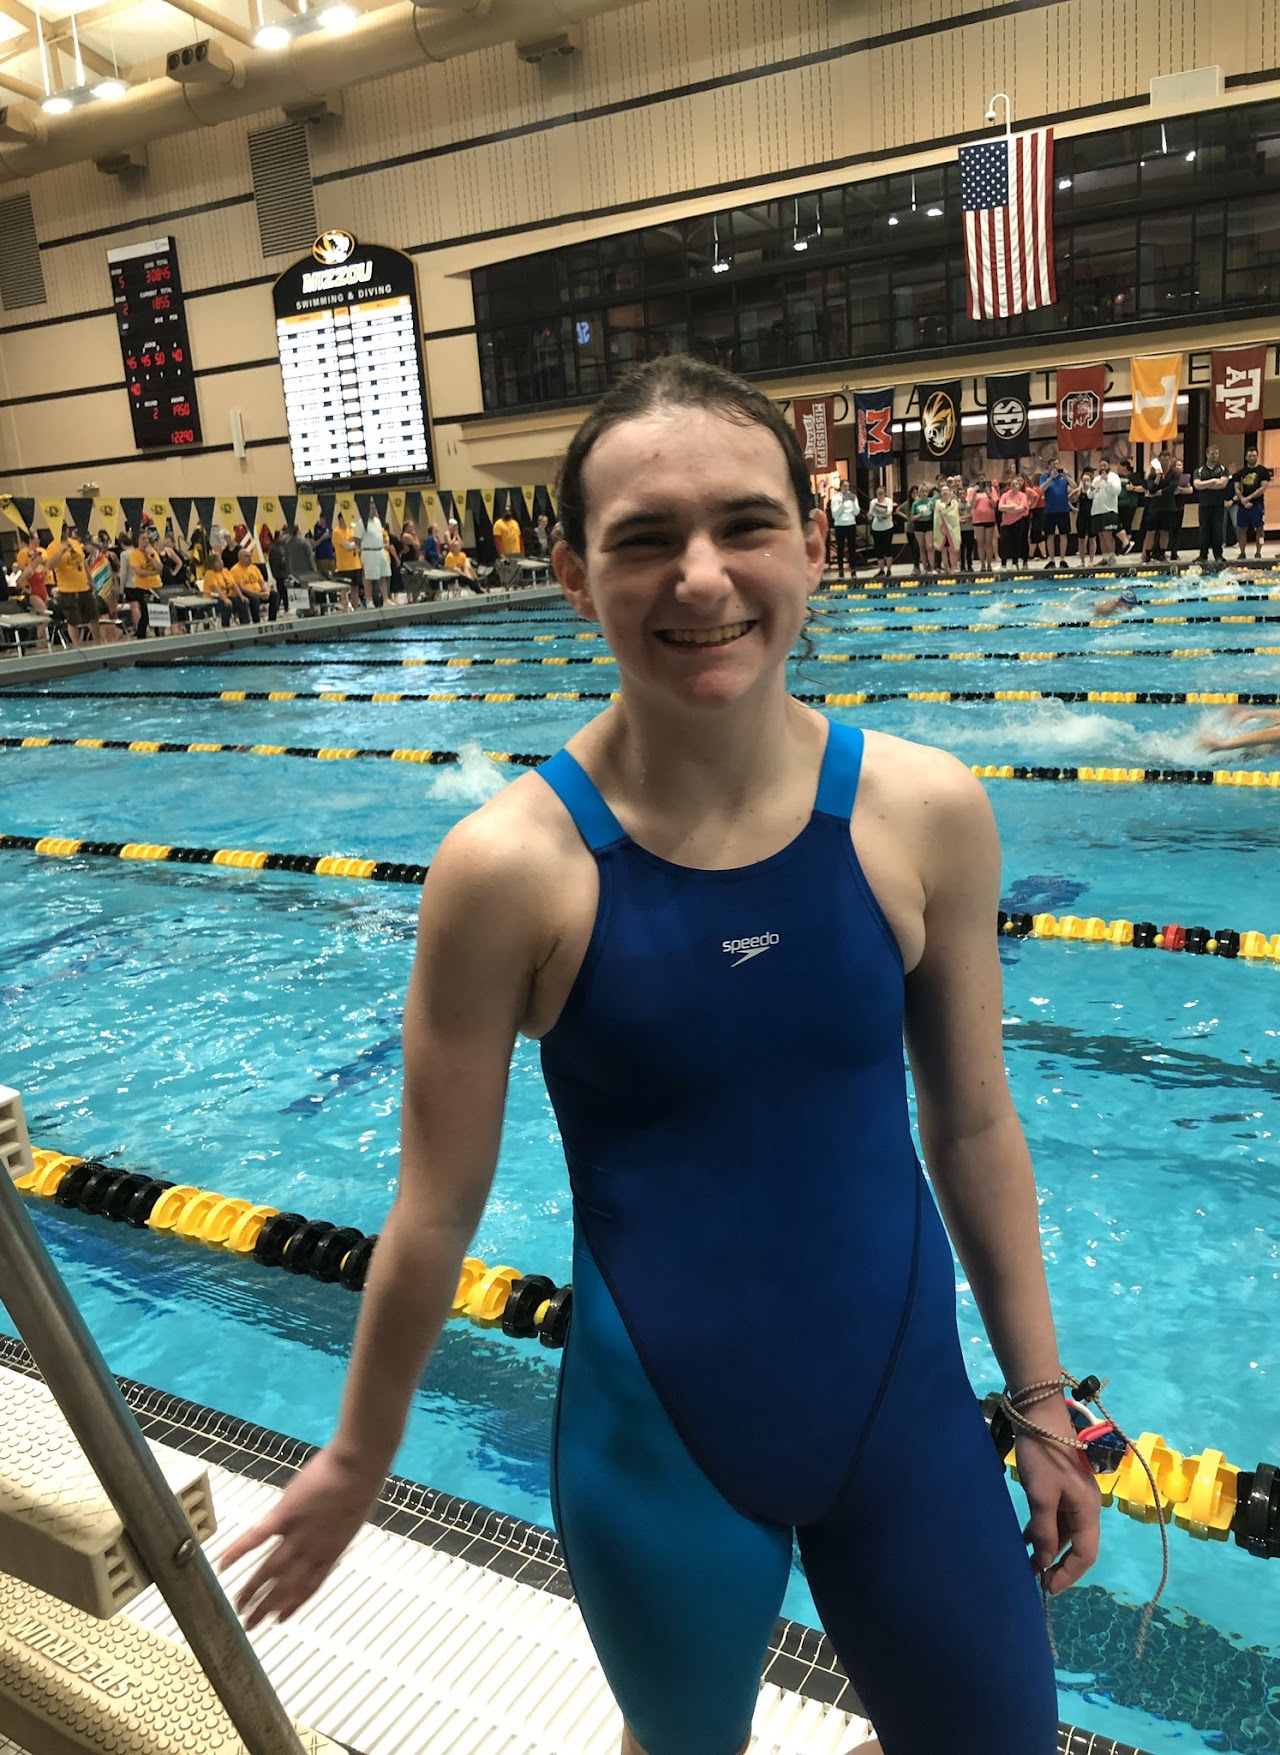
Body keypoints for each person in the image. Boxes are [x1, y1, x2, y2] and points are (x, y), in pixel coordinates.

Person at [221, 356, 1097, 1755]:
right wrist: (354, 1456)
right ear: (573, 575)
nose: (703, 578)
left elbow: (976, 1125)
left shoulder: (925, 809)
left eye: (745, 524)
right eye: (645, 540)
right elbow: (435, 1206)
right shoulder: (511, 868)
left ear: (811, 542)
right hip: (658, 1448)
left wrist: (1046, 1404)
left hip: (910, 1425)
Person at [45, 524, 101, 646]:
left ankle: (98, 643)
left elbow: (84, 562)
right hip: (67, 589)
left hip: (83, 586)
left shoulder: (74, 543)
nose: (64, 533)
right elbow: (50, 566)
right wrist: (61, 552)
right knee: (73, 620)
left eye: (65, 530)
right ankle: (77, 646)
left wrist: (90, 580)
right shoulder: (52, 547)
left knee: (93, 616)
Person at [1232, 447, 1272, 562]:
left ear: (1257, 456)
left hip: (1258, 505)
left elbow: (1263, 488)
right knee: (1241, 529)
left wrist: (1248, 498)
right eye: (1250, 456)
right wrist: (1242, 499)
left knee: (1259, 529)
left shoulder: (1263, 471)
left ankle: (1258, 552)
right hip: (1243, 506)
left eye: (1254, 455)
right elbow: (1237, 488)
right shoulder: (1240, 473)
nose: (1252, 458)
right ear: (1246, 457)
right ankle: (1242, 552)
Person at [1195, 444, 1231, 566]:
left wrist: (1205, 484)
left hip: (1218, 505)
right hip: (1204, 505)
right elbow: (1197, 485)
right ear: (1207, 454)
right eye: (1212, 453)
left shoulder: (1223, 469)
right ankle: (1203, 555)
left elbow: (1222, 484)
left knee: (1217, 530)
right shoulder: (1200, 470)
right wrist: (1213, 481)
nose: (1215, 456)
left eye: (1216, 453)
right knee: (1203, 531)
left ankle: (1218, 555)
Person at [125, 527, 163, 637]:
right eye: (143, 539)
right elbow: (139, 571)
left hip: (157, 585)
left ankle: (158, 634)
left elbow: (160, 568)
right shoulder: (134, 554)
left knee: (158, 611)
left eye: (147, 538)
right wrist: (153, 572)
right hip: (143, 588)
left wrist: (152, 557)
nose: (146, 541)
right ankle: (141, 635)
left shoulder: (152, 552)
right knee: (146, 612)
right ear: (137, 541)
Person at [1199, 705, 1280, 756]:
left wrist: (1223, 745)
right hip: (1244, 754)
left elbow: (1268, 735)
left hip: (1248, 753)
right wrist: (1251, 714)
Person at [1038, 459, 1073, 568]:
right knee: (1050, 535)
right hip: (1050, 511)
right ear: (1049, 466)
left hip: (1063, 510)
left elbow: (1075, 485)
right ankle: (1051, 560)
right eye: (1053, 465)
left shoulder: (1064, 476)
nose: (1056, 466)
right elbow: (1041, 489)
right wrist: (1051, 478)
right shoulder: (1044, 476)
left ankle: (1062, 559)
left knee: (1064, 535)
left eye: (1057, 464)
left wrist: (1067, 476)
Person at [231, 544, 278, 623]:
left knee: (274, 595)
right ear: (240, 558)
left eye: (250, 556)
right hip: (246, 594)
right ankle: (256, 621)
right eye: (247, 557)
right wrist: (258, 595)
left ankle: (272, 620)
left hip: (259, 592)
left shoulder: (254, 568)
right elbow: (241, 588)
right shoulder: (235, 570)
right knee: (254, 598)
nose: (250, 558)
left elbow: (262, 582)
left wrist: (266, 591)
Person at [1088, 463, 1122, 564]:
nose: (1102, 468)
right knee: (1101, 536)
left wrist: (1107, 480)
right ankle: (1105, 557)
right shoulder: (1096, 479)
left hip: (1109, 510)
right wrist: (1092, 489)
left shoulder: (1114, 477)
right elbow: (1090, 495)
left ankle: (1112, 557)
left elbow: (1117, 491)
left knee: (1108, 535)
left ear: (1109, 466)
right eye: (1100, 466)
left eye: (1104, 465)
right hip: (1097, 511)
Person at [827, 479, 859, 581]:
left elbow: (857, 512)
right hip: (840, 525)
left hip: (851, 524)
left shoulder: (852, 497)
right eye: (845, 486)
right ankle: (841, 571)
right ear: (840, 487)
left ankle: (853, 570)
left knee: (852, 548)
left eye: (848, 486)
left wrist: (853, 502)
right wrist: (843, 504)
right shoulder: (836, 498)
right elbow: (835, 514)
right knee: (840, 548)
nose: (847, 488)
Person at [997, 474, 1031, 568]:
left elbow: (1021, 508)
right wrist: (1012, 506)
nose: (1015, 486)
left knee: (1018, 542)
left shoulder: (1023, 495)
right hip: (1006, 523)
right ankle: (1003, 564)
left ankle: (1015, 562)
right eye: (1013, 484)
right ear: (1009, 486)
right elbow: (1000, 507)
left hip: (1019, 521)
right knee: (1004, 543)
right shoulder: (1005, 495)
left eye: (1016, 484)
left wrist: (1007, 509)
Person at [356, 512, 389, 608]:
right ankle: (369, 600)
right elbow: (357, 539)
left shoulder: (378, 521)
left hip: (380, 550)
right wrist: (360, 551)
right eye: (371, 508)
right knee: (368, 577)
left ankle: (386, 599)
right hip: (368, 551)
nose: (374, 510)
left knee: (383, 575)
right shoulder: (361, 523)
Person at [968, 478, 999, 571]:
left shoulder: (991, 490)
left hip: (989, 518)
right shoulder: (973, 491)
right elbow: (972, 505)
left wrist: (989, 495)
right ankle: (982, 565)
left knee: (989, 542)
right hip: (978, 519)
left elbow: (994, 505)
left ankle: (989, 564)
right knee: (980, 543)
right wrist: (975, 494)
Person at [333, 514, 363, 609]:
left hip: (356, 564)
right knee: (345, 588)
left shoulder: (352, 530)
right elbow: (348, 546)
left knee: (355, 588)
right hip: (344, 566)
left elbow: (358, 545)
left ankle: (355, 607)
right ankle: (345, 607)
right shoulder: (337, 532)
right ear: (340, 519)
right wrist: (357, 543)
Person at [867, 485, 897, 579]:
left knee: (887, 549)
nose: (880, 495)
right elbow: (870, 515)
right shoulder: (873, 502)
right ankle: (881, 570)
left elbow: (889, 513)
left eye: (881, 493)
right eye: (878, 493)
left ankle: (888, 570)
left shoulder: (888, 501)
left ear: (885, 493)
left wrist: (881, 514)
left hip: (887, 527)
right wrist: (870, 515)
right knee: (878, 550)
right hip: (876, 528)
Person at [932, 484, 961, 573]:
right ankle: (946, 569)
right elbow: (937, 517)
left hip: (952, 529)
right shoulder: (937, 503)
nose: (945, 492)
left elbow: (953, 515)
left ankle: (953, 568)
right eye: (943, 490)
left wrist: (944, 512)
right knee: (943, 550)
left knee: (952, 550)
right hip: (941, 530)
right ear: (941, 492)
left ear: (950, 491)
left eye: (946, 490)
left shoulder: (954, 503)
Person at [1070, 469, 1095, 568]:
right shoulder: (1078, 491)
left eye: (1087, 480)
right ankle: (1082, 561)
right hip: (1081, 516)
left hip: (1091, 516)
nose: (1085, 482)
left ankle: (1091, 560)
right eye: (1084, 480)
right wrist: (1073, 508)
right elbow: (1067, 499)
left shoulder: (1092, 490)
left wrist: (1090, 486)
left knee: (1092, 539)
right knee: (1081, 539)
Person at [908, 483, 935, 572]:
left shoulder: (931, 501)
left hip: (929, 524)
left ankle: (932, 567)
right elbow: (912, 517)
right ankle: (925, 568)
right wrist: (920, 515)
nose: (924, 493)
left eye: (926, 491)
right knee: (922, 547)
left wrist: (933, 507)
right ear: (919, 493)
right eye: (922, 491)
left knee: (930, 546)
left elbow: (937, 512)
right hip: (919, 525)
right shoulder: (915, 503)